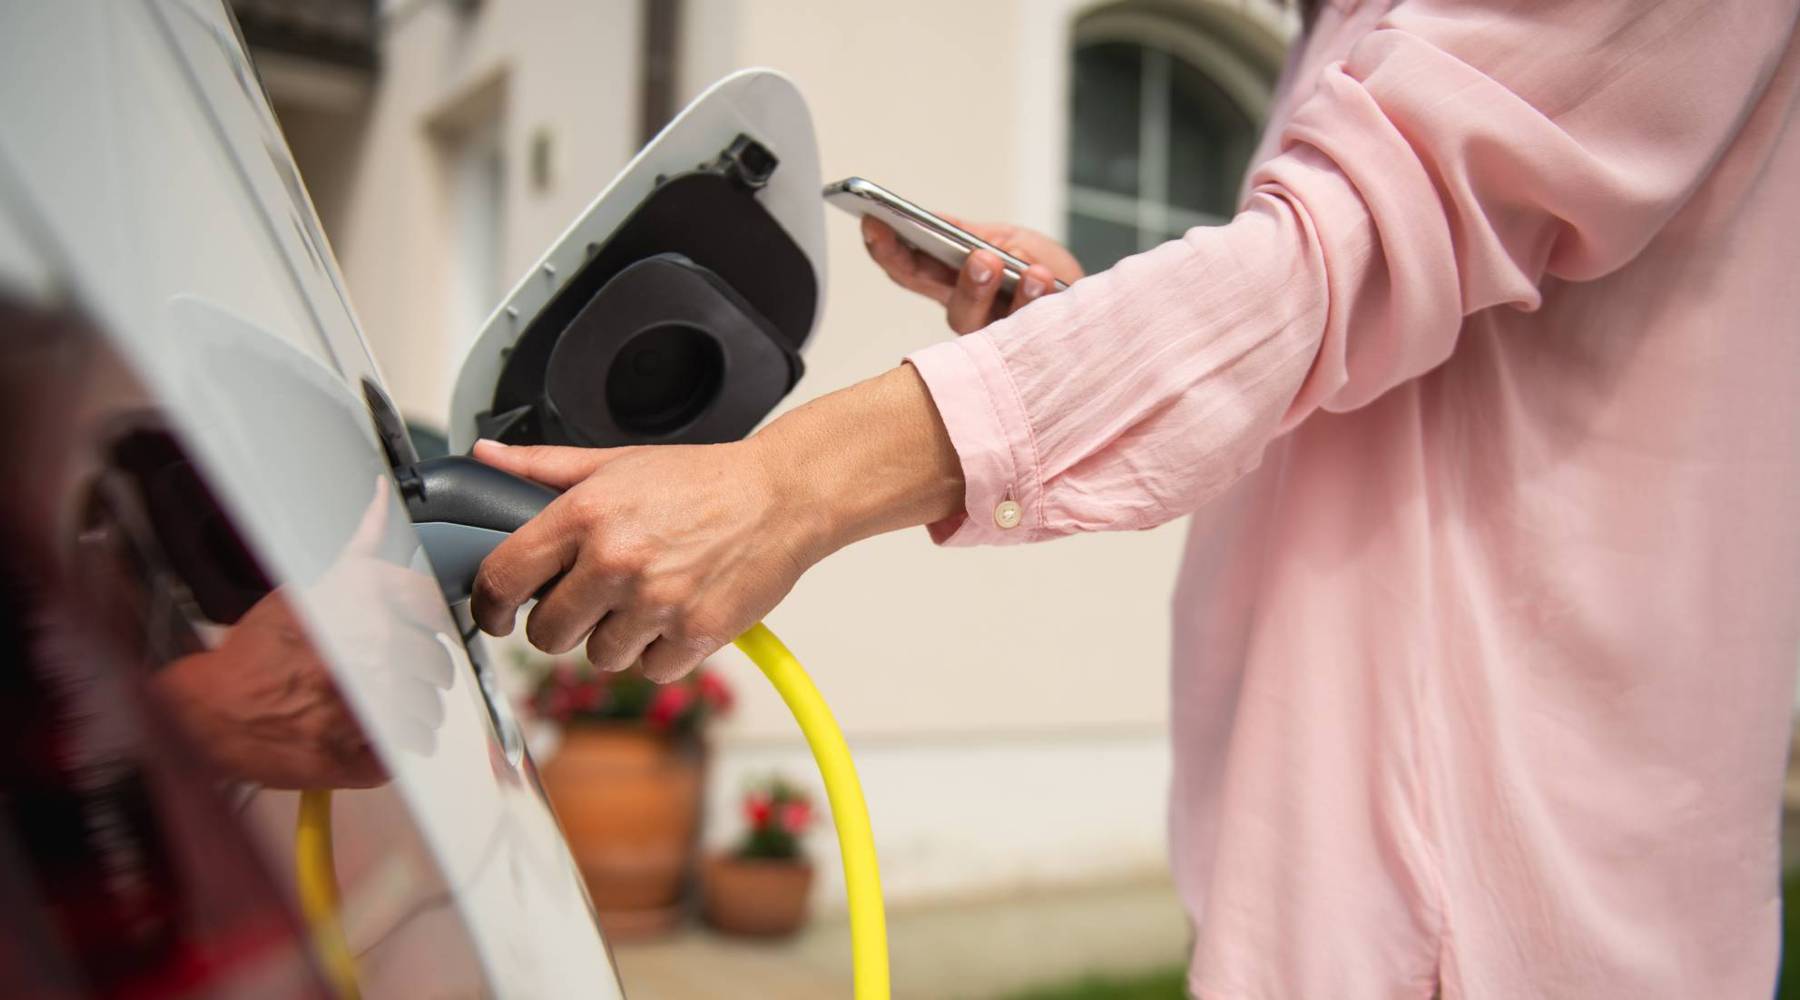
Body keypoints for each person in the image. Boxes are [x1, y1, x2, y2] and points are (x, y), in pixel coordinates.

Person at [470, 0, 1800, 994]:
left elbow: (1327, 269)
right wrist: (1084, 324)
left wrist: (788, 486)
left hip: (1506, 916)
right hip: (1323, 871)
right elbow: (1362, 343)